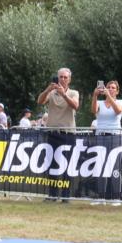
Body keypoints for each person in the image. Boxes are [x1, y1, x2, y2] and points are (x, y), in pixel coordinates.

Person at [37, 67, 80, 202]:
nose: (62, 79)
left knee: (67, 165)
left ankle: (66, 195)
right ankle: (53, 194)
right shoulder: (52, 92)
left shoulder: (73, 92)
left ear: (69, 79)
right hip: (52, 133)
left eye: (65, 77)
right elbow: (40, 101)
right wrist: (48, 90)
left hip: (68, 133)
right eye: (60, 77)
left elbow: (75, 106)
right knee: (52, 165)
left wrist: (64, 94)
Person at [90, 80, 122, 205]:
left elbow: (118, 111)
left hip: (115, 137)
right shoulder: (100, 102)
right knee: (100, 166)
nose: (110, 89)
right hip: (101, 136)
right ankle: (101, 197)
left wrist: (109, 96)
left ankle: (116, 198)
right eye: (108, 87)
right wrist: (95, 95)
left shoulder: (120, 102)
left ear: (117, 91)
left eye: (113, 88)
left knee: (115, 167)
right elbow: (93, 110)